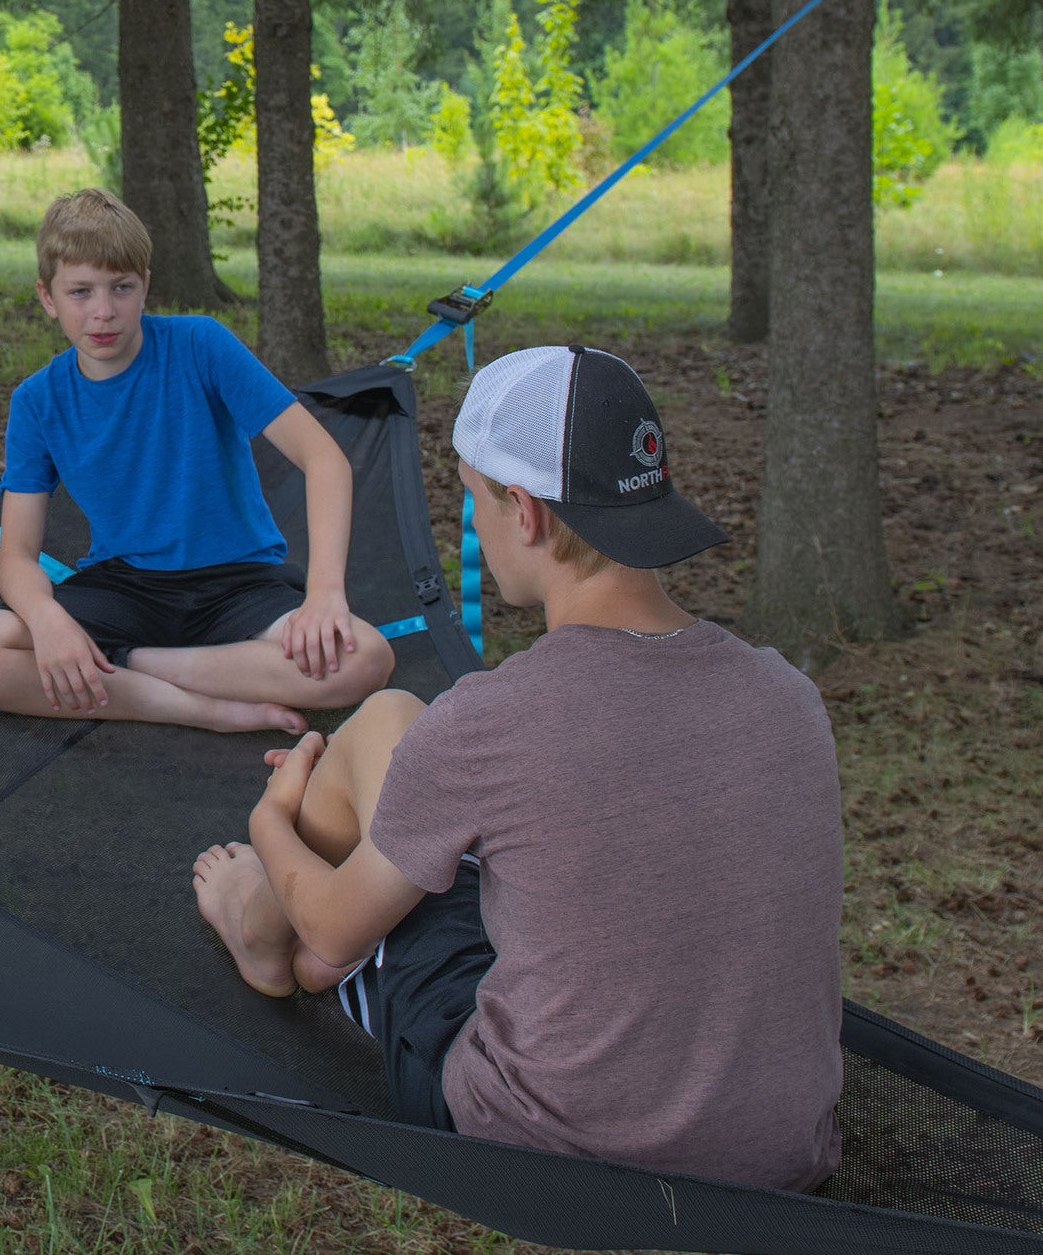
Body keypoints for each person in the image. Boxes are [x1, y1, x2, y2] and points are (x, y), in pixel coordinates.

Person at [189, 342, 842, 1192]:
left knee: (383, 725)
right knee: (420, 769)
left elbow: (335, 927)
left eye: (473, 501)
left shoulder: (492, 720)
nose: (476, 526)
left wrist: (271, 820)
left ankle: (256, 926)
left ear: (525, 514)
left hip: (542, 1142)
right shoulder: (790, 697)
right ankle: (325, 933)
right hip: (780, 1152)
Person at [0, 188, 395, 735]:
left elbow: (325, 460)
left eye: (121, 288)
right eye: (80, 291)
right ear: (47, 297)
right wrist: (48, 620)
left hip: (238, 586)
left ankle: (134, 665)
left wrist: (324, 595)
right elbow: (16, 556)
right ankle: (201, 709)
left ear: (146, 285)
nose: (103, 311)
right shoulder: (38, 400)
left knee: (366, 658)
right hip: (126, 590)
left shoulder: (200, 344)